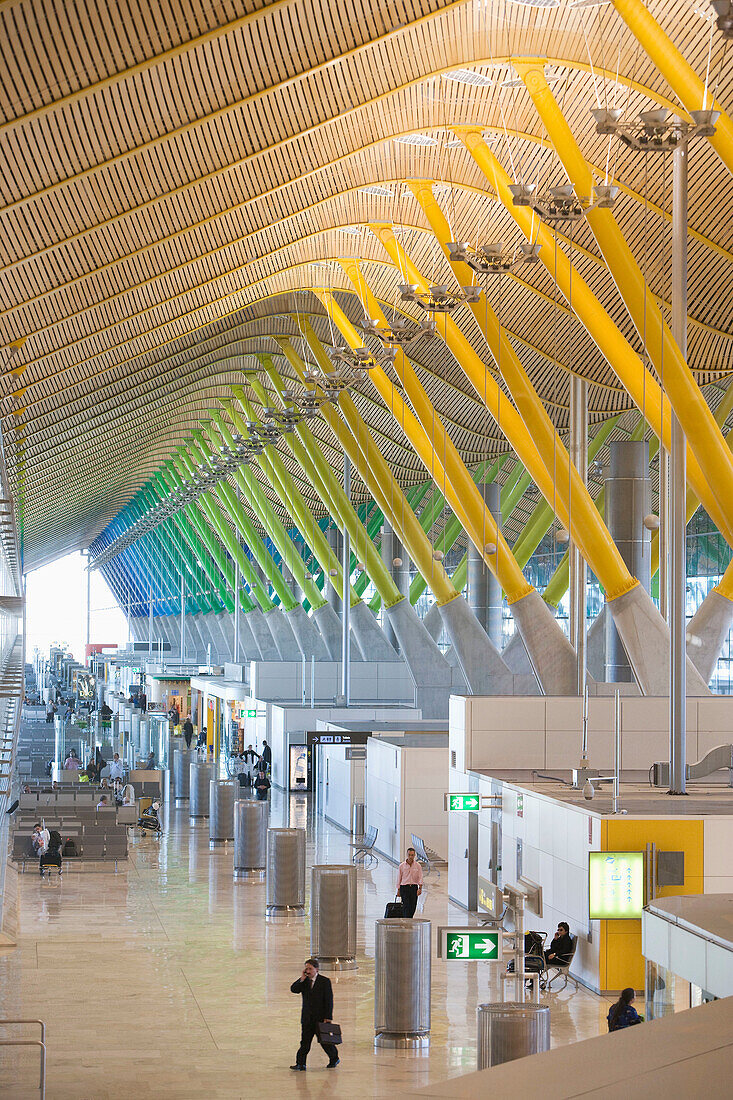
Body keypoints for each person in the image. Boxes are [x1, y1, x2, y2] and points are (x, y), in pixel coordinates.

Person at [290, 959, 339, 1071]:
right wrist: (301, 979)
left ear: (316, 969)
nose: (308, 971)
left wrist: (328, 1017)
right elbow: (294, 989)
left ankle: (334, 1058)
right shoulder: (304, 981)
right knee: (305, 1042)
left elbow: (329, 1000)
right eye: (306, 968)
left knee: (325, 1042)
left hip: (321, 1018)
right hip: (307, 1018)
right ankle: (300, 1064)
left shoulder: (324, 981)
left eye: (310, 968)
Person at [396, 847, 423, 918]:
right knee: (406, 906)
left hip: (413, 888)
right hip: (404, 887)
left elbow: (420, 877)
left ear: (414, 855)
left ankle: (409, 919)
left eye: (412, 855)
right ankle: (406, 920)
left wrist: (420, 888)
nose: (410, 857)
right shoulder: (401, 866)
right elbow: (399, 878)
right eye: (409, 855)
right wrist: (398, 890)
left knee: (413, 906)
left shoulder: (418, 866)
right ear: (407, 855)